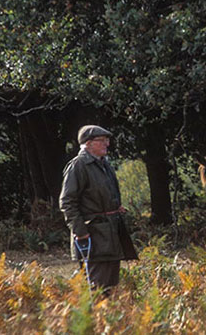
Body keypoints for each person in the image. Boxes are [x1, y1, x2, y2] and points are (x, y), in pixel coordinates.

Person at [59, 125, 137, 293]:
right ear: (88, 143)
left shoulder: (105, 165)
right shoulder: (78, 166)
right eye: (101, 140)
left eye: (107, 140)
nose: (107, 144)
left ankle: (106, 318)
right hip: (93, 236)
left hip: (111, 234)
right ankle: (94, 319)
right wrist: (80, 232)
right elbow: (67, 202)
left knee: (110, 287)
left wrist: (115, 207)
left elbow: (100, 194)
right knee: (96, 288)